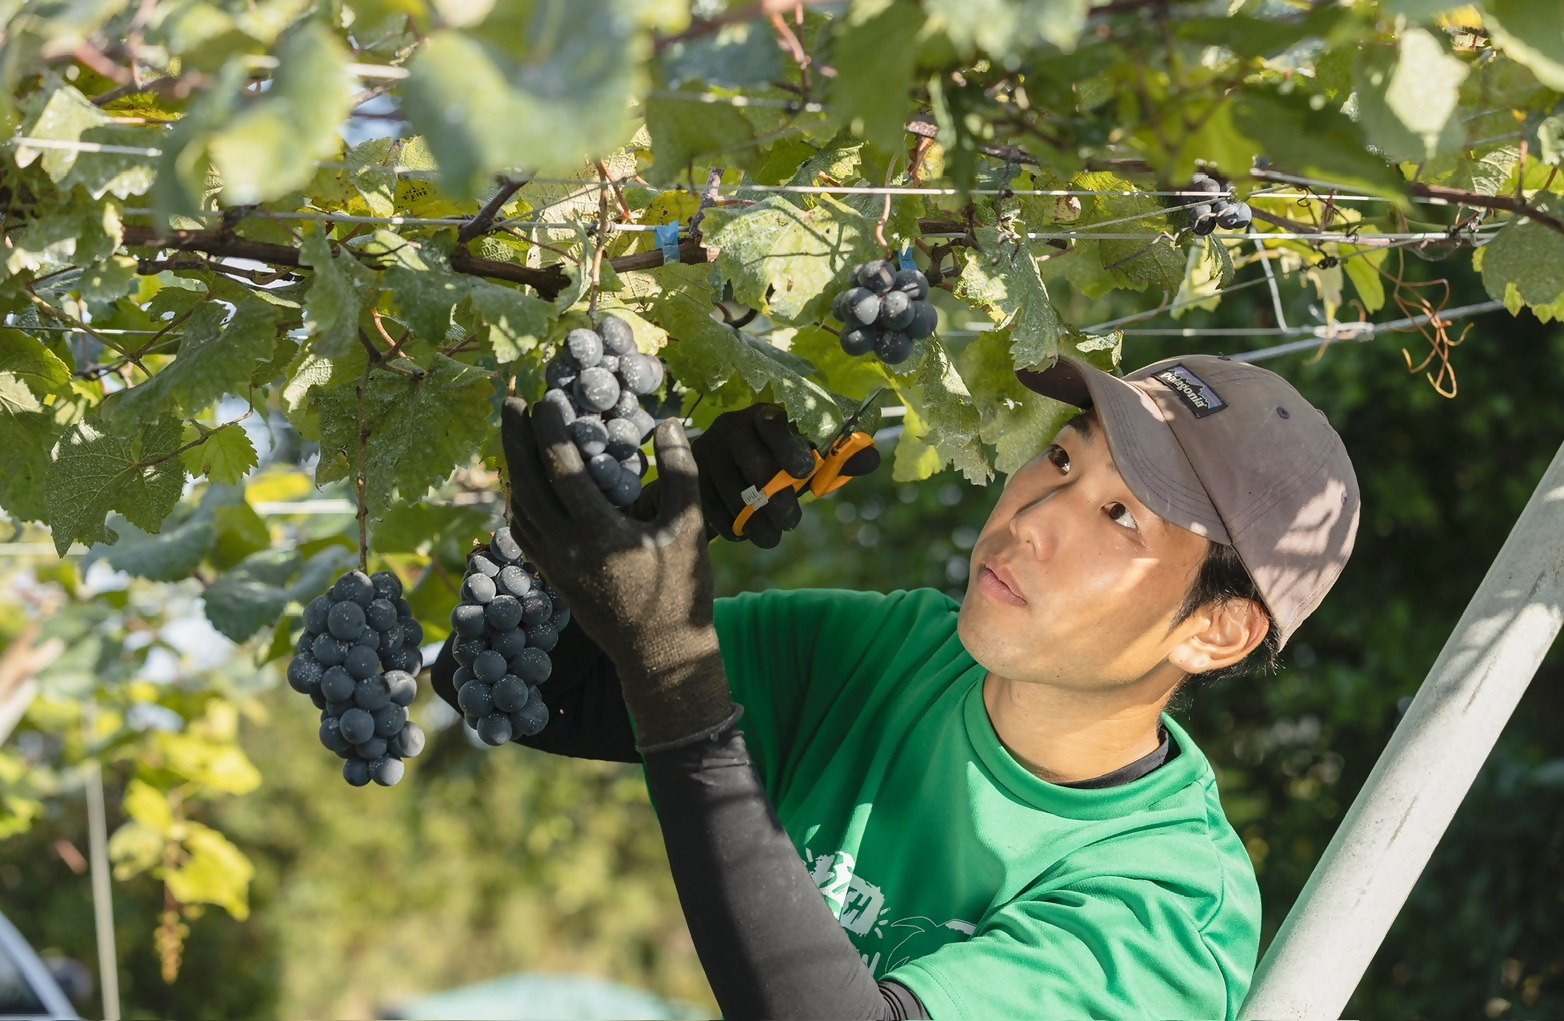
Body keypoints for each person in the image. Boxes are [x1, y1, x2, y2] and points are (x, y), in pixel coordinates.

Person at [431, 353, 1360, 1020]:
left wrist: (675, 671)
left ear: (1214, 630)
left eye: (1120, 515)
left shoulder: (1166, 908)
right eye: (1062, 459)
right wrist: (664, 517)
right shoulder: (893, 652)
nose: (1031, 518)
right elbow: (522, 695)